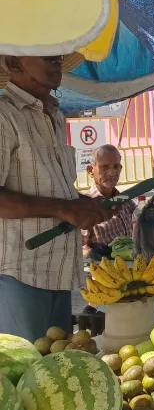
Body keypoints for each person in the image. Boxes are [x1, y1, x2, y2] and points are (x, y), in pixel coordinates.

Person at [0, 55, 114, 341]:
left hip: (59, 270)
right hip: (19, 274)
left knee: (57, 374)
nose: (56, 63)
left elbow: (53, 189)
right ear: (14, 63)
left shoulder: (54, 115)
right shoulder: (4, 116)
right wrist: (65, 208)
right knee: (26, 372)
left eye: (58, 57)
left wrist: (86, 205)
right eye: (47, 57)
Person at [82, 144, 137, 254]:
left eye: (116, 166)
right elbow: (80, 250)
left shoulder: (126, 201)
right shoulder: (85, 207)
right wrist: (96, 254)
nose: (112, 173)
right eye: (104, 167)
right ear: (90, 171)